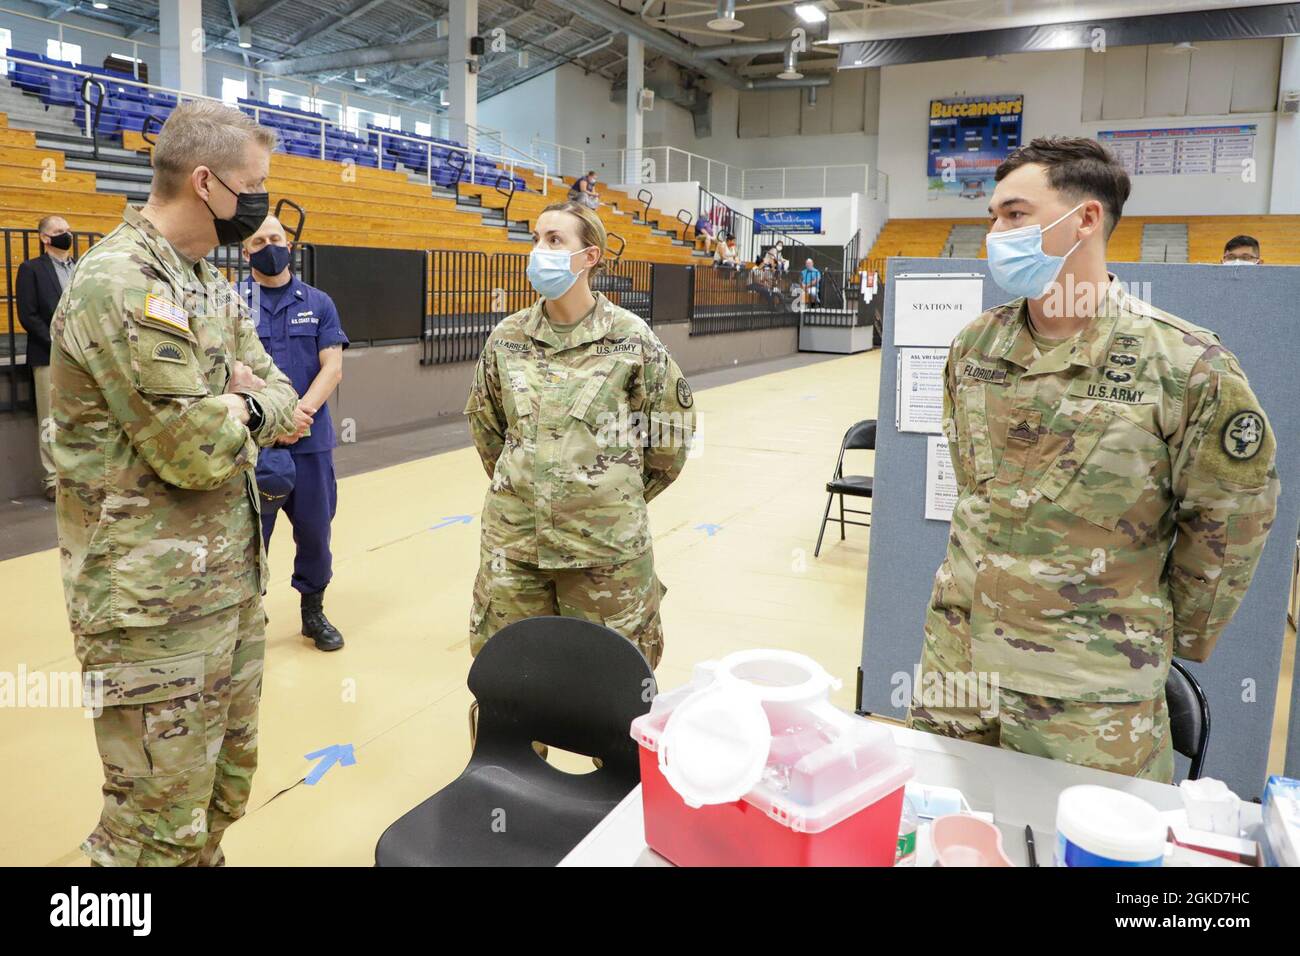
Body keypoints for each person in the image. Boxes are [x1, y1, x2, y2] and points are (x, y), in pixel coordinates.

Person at [907, 136, 1279, 783]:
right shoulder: (975, 347)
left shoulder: (1183, 366)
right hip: (957, 668)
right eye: (993, 216)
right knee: (942, 830)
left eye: (1015, 215)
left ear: (1084, 219)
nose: (996, 233)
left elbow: (1232, 524)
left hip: (1086, 694)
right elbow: (976, 491)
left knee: (1086, 850)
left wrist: (1145, 628)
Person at [47, 99, 305, 866]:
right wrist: (236, 398)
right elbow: (192, 450)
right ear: (206, 183)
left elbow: (285, 398)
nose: (260, 206)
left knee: (220, 797)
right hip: (146, 613)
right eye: (253, 184)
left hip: (224, 590)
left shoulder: (201, 281)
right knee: (152, 826)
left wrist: (236, 396)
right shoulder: (121, 283)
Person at [463, 199, 696, 676]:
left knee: (615, 690)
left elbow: (669, 436)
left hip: (606, 554)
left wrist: (609, 496)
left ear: (589, 256)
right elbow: (488, 429)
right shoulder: (507, 338)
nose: (539, 251)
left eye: (554, 240)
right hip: (516, 551)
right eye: (535, 239)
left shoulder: (632, 340)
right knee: (511, 686)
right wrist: (530, 491)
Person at [237, 215, 348, 651]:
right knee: (248, 535)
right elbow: (228, 370)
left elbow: (332, 367)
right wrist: (271, 419)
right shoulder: (230, 302)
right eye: (260, 240)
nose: (270, 245)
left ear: (290, 244)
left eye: (276, 238)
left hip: (309, 443)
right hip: (251, 445)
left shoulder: (318, 302)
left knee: (315, 531)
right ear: (246, 252)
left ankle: (313, 612)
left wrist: (296, 415)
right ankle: (248, 611)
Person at [15, 214, 77, 500]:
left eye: (68, 230)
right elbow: (28, 315)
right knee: (50, 420)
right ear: (45, 238)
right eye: (60, 231)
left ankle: (77, 475)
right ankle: (53, 479)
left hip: (79, 356)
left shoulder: (80, 268)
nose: (67, 235)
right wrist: (57, 340)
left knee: (79, 416)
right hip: (48, 354)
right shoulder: (31, 269)